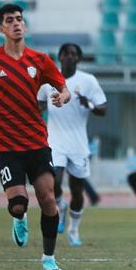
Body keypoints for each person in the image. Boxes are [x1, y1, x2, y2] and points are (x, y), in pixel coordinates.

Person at [0, 3, 71, 270]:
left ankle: (48, 259)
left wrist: (63, 96)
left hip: (37, 143)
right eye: (10, 20)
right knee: (18, 205)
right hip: (7, 146)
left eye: (19, 19)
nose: (16, 24)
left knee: (48, 199)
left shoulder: (40, 60)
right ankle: (19, 218)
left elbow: (63, 86)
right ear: (1, 28)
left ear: (25, 25)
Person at [38, 43, 107, 246]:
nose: (70, 57)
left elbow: (103, 109)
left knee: (77, 191)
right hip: (55, 141)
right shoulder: (47, 81)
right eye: (66, 54)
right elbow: (38, 104)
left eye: (74, 54)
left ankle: (74, 229)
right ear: (59, 57)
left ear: (79, 59)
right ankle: (60, 206)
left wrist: (89, 104)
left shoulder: (88, 81)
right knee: (54, 181)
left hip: (78, 144)